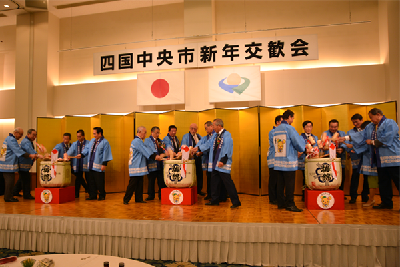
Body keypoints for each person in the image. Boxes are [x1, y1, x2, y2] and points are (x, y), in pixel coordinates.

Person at [194, 118, 241, 208]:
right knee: (214, 182)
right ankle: (214, 200)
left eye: (214, 125)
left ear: (219, 126)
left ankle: (236, 201)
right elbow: (208, 144)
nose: (213, 127)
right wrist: (198, 148)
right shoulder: (215, 136)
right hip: (215, 164)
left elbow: (227, 148)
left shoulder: (227, 135)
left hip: (222, 163)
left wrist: (223, 160)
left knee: (228, 183)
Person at [363, 108, 400, 210]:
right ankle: (386, 202)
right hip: (381, 159)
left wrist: (372, 142)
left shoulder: (390, 122)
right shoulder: (373, 126)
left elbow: (387, 138)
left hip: (393, 158)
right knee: (384, 182)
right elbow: (362, 136)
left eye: (371, 117)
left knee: (398, 181)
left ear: (378, 114)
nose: (371, 120)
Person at [273, 110, 306, 212]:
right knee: (290, 184)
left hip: (278, 160)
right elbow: (297, 142)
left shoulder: (276, 129)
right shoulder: (290, 128)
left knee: (280, 183)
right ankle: (290, 204)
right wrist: (303, 148)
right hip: (288, 161)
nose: (293, 120)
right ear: (290, 117)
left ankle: (281, 203)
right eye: (293, 118)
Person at [124, 126, 163, 204]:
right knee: (133, 183)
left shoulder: (140, 141)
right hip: (135, 165)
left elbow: (146, 150)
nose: (145, 134)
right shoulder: (136, 141)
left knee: (140, 182)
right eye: (144, 132)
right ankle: (126, 199)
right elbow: (145, 151)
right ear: (139, 132)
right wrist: (155, 156)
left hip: (139, 165)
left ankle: (138, 198)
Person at [345, 121, 378, 207]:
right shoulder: (353, 132)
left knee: (371, 180)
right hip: (362, 159)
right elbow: (362, 144)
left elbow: (365, 145)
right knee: (360, 178)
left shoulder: (374, 134)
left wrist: (352, 146)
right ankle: (356, 197)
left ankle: (369, 198)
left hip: (372, 160)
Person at [0, 128, 37, 202]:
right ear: (15, 133)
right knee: (9, 181)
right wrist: (30, 155)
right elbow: (18, 151)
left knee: (12, 181)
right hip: (8, 164)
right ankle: (8, 197)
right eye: (20, 134)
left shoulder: (9, 138)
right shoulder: (12, 140)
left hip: (6, 163)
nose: (21, 136)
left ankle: (10, 195)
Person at [196, 121, 227, 201]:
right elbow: (203, 144)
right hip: (209, 160)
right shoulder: (206, 137)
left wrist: (199, 149)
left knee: (220, 179)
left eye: (207, 128)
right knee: (211, 179)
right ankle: (212, 196)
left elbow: (209, 145)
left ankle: (221, 196)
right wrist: (197, 149)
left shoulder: (218, 135)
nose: (206, 130)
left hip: (218, 160)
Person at [79, 127, 113, 201]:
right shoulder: (92, 141)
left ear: (99, 133)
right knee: (91, 181)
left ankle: (102, 195)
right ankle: (92, 195)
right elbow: (87, 149)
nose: (94, 135)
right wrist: (81, 154)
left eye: (95, 134)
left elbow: (106, 153)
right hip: (91, 165)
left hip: (99, 166)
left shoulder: (105, 142)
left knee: (99, 182)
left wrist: (104, 164)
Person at [346, 114, 369, 204]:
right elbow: (346, 143)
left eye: (357, 121)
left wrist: (354, 146)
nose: (355, 124)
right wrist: (348, 149)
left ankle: (365, 195)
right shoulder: (350, 132)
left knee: (366, 177)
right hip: (355, 157)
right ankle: (353, 196)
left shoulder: (367, 130)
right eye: (353, 122)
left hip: (366, 156)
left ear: (362, 120)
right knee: (355, 176)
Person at [13, 129, 37, 199]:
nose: (34, 137)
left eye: (35, 135)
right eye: (33, 135)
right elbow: (30, 151)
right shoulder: (26, 142)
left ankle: (15, 191)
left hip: (25, 164)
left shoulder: (29, 141)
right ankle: (26, 195)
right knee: (26, 179)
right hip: (22, 164)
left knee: (22, 178)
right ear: (28, 134)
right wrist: (37, 155)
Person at [323, 119, 347, 191]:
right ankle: (330, 191)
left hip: (340, 157)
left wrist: (342, 148)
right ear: (329, 126)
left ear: (338, 126)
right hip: (329, 158)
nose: (333, 128)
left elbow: (346, 143)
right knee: (330, 175)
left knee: (341, 175)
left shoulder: (342, 133)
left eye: (335, 127)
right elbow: (323, 144)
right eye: (332, 127)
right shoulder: (325, 133)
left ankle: (340, 192)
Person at [144, 126, 167, 200]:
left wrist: (163, 154)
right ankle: (151, 195)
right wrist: (156, 156)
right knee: (151, 180)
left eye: (158, 133)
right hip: (152, 163)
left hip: (160, 164)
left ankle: (162, 195)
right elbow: (148, 150)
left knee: (161, 181)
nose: (158, 134)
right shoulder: (147, 140)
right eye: (156, 133)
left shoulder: (160, 141)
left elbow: (164, 150)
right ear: (152, 132)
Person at [182, 123, 205, 196]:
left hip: (199, 158)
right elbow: (183, 147)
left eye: (195, 129)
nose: (193, 130)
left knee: (199, 174)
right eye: (192, 128)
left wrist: (200, 152)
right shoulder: (185, 136)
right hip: (189, 159)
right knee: (190, 174)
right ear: (189, 128)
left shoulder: (199, 136)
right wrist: (191, 151)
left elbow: (202, 146)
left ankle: (199, 190)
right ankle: (190, 190)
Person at [298, 120, 318, 201]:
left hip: (313, 159)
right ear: (304, 128)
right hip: (304, 159)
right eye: (307, 127)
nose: (309, 128)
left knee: (313, 176)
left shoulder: (315, 137)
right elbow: (299, 147)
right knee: (305, 177)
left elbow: (317, 147)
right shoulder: (300, 137)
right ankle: (304, 194)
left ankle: (312, 194)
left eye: (310, 126)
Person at [66, 129, 89, 198]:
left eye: (79, 136)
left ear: (83, 136)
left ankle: (90, 191)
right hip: (78, 163)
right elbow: (70, 151)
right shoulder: (75, 143)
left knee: (88, 178)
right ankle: (77, 193)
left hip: (86, 163)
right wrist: (66, 155)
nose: (78, 138)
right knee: (78, 178)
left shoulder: (88, 143)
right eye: (77, 136)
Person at [267, 115, 283, 205]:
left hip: (280, 159)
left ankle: (278, 197)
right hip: (273, 158)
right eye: (282, 121)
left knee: (279, 179)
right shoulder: (272, 132)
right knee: (273, 179)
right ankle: (272, 198)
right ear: (277, 122)